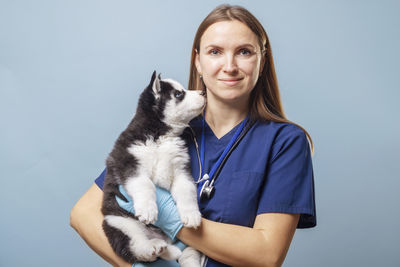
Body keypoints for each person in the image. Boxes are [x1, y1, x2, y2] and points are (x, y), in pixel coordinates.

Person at [70, 4, 316, 267]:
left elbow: (267, 254)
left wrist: (171, 219)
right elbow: (83, 214)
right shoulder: (166, 131)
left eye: (244, 52)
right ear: (198, 61)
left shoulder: (285, 142)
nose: (229, 66)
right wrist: (138, 263)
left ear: (262, 62)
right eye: (215, 52)